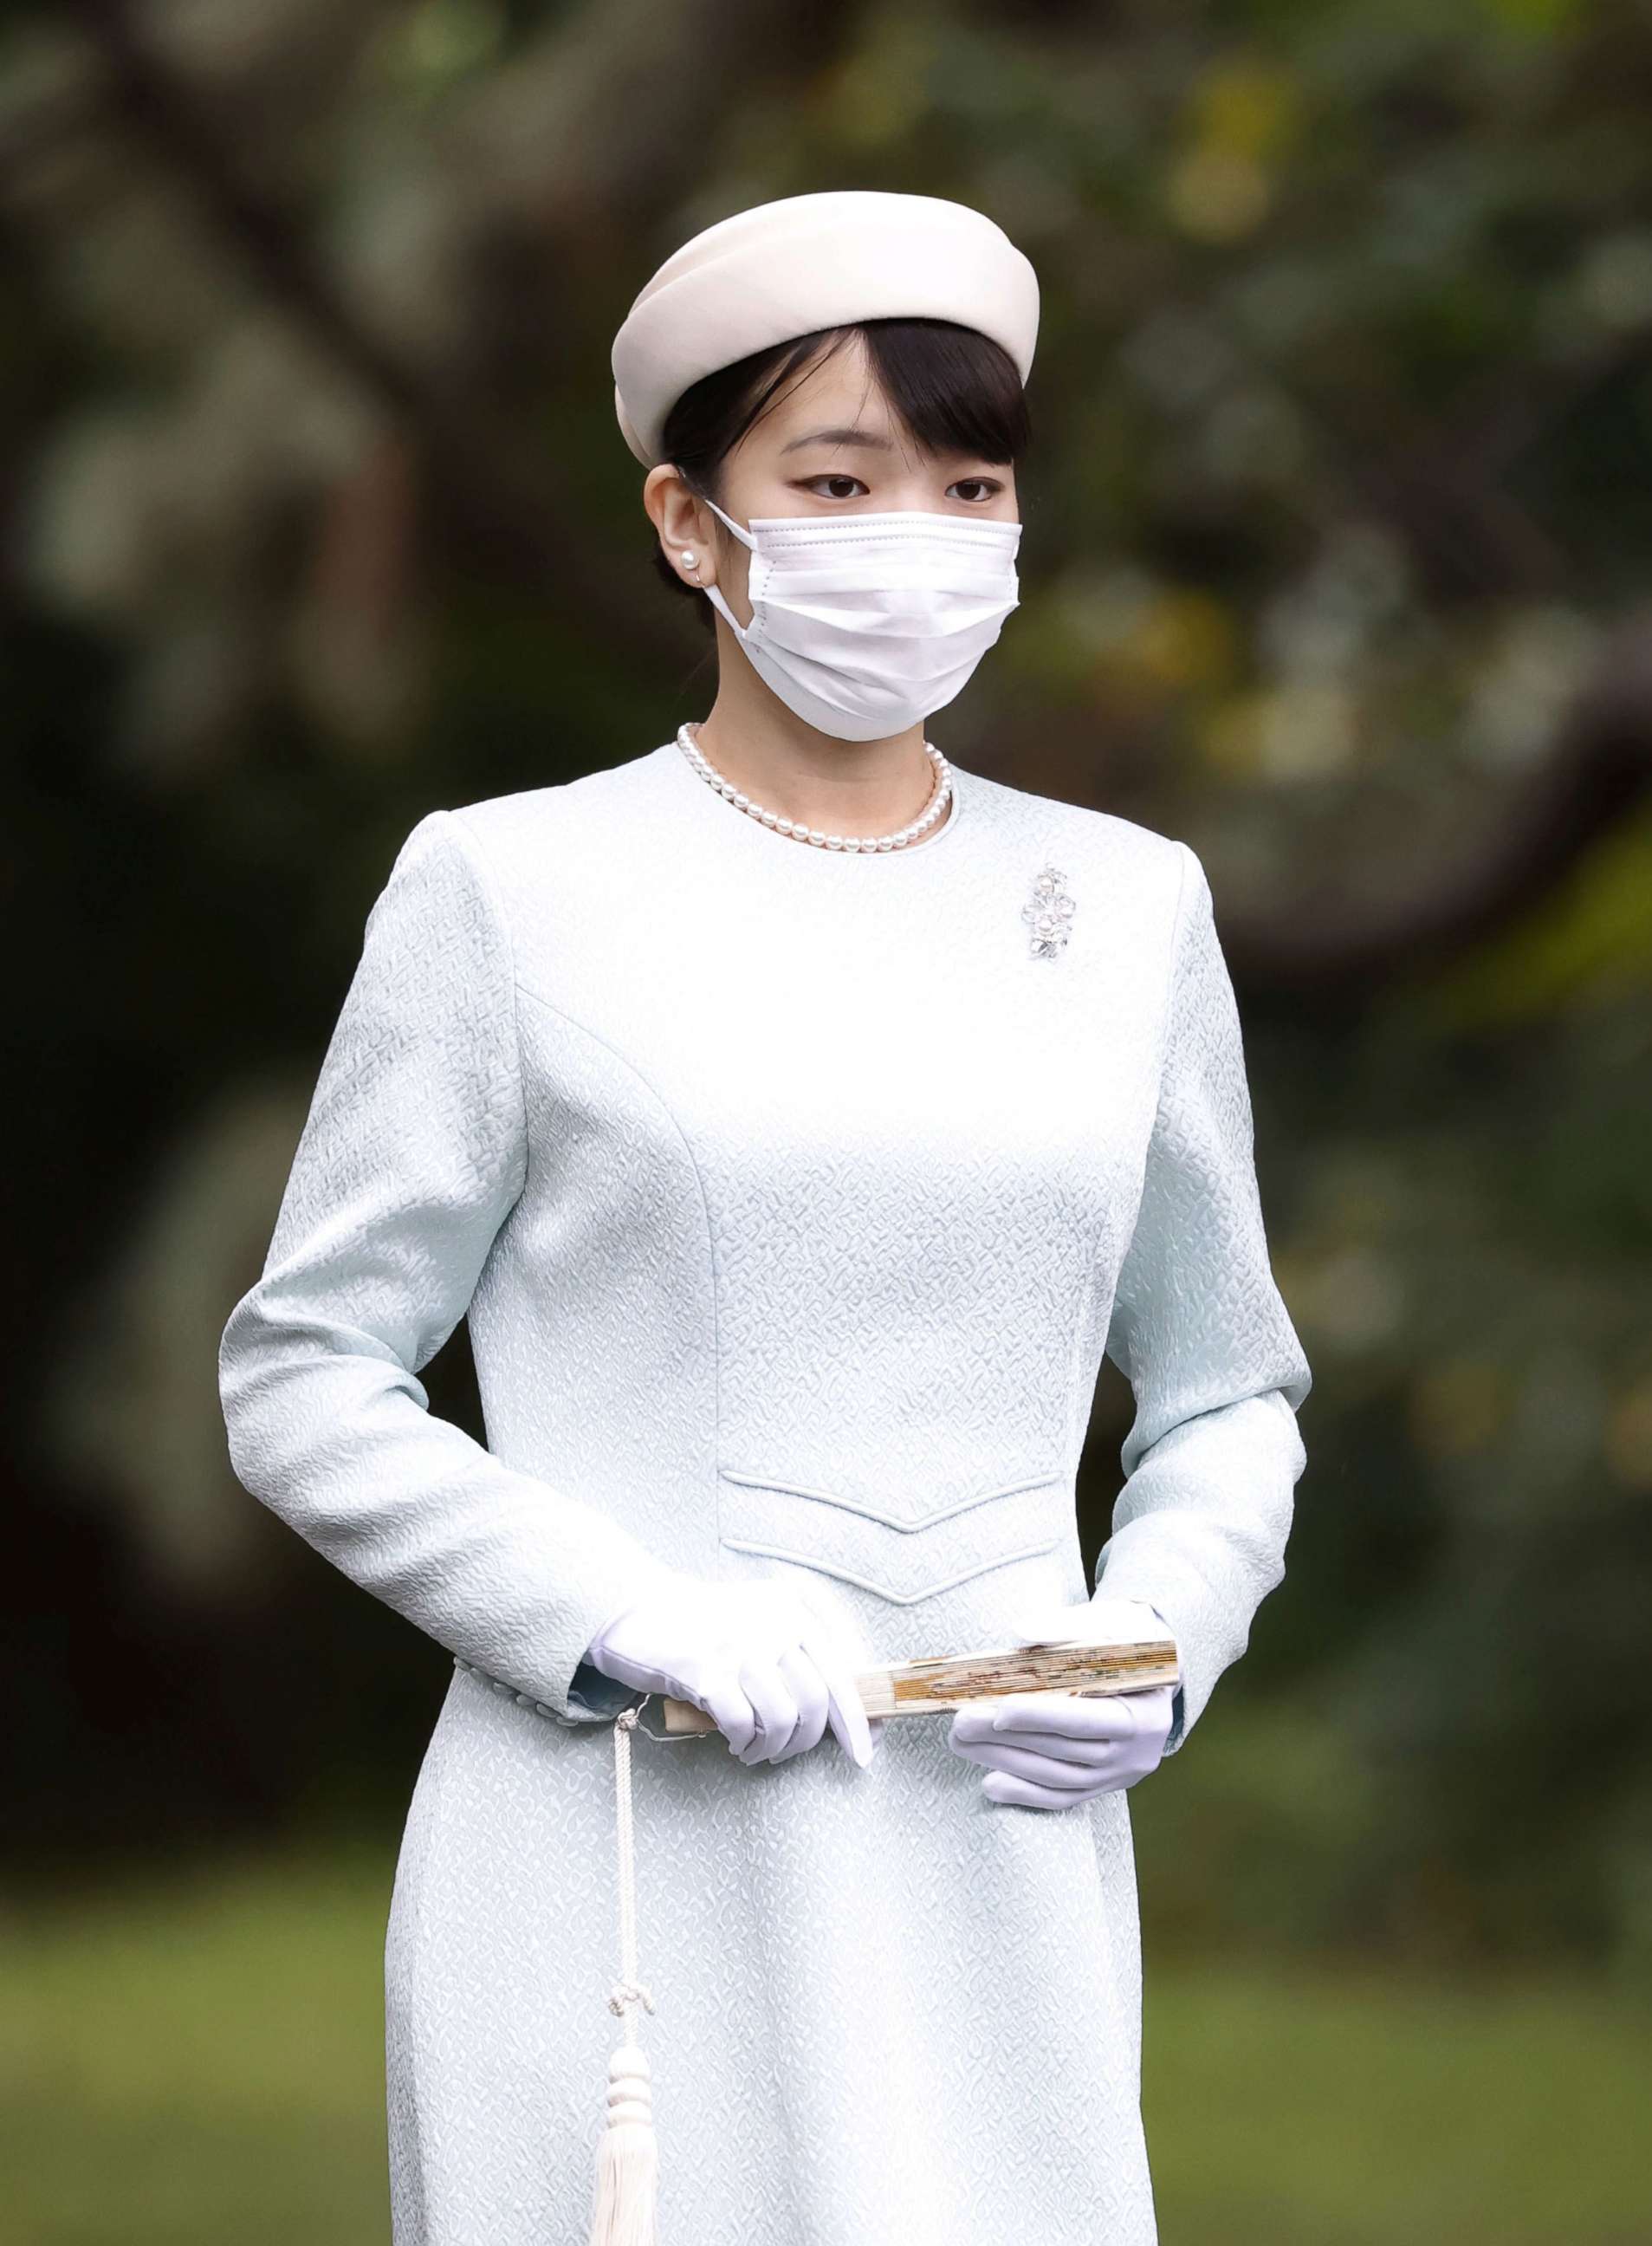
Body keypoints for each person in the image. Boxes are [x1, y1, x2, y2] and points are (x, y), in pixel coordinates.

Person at [217, 188, 1312, 2246]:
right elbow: (305, 1373)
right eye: (838, 476)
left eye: (967, 481)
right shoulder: (509, 889)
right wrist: (612, 1613)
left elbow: (1230, 1385)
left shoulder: (1128, 904)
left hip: (995, 1858)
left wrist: (1162, 1627)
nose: (919, 530)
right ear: (685, 520)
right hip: (622, 1852)